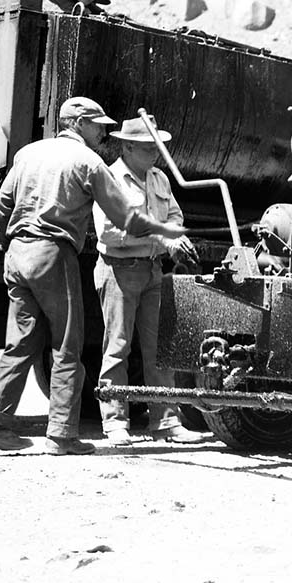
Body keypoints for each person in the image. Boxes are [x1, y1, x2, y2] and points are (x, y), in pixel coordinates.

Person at [0, 96, 186, 456]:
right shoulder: (88, 161)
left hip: (17, 252)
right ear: (77, 124)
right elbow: (127, 220)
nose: (102, 132)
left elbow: (2, 206)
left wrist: (4, 239)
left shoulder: (28, 153)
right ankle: (61, 434)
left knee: (21, 343)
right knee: (67, 345)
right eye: (97, 125)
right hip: (53, 254)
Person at [94, 117, 205, 445]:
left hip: (152, 270)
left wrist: (167, 237)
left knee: (160, 349)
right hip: (119, 270)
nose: (155, 153)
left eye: (157, 146)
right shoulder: (110, 178)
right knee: (118, 346)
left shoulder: (159, 178)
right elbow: (109, 233)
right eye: (147, 147)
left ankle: (166, 421)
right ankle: (115, 422)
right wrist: (163, 239)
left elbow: (175, 217)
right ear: (126, 147)